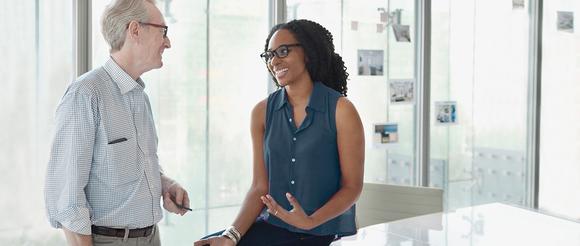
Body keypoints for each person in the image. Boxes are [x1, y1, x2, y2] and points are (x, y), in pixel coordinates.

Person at [194, 19, 365, 246]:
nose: (274, 61)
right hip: (273, 227)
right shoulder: (262, 113)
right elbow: (260, 187)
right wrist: (230, 236)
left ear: (309, 52)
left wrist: (310, 220)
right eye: (269, 55)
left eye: (283, 51)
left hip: (319, 232)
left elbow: (352, 187)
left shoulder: (341, 110)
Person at [44, 0, 190, 245]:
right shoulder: (86, 94)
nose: (168, 42)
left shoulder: (140, 98)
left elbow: (128, 165)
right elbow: (66, 198)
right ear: (135, 30)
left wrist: (164, 183)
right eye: (163, 31)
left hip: (152, 236)